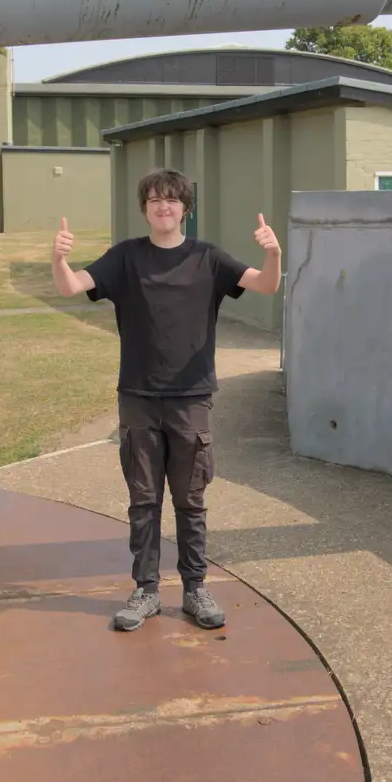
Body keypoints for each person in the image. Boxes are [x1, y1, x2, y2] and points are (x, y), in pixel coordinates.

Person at [51, 168, 281, 631]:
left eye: (172, 200)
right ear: (145, 209)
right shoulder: (126, 258)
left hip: (191, 396)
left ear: (185, 209)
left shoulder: (208, 258)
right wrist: (58, 260)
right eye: (155, 200)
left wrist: (273, 254)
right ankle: (146, 591)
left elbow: (266, 285)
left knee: (191, 500)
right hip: (138, 395)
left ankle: (195, 588)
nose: (164, 207)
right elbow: (73, 287)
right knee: (143, 500)